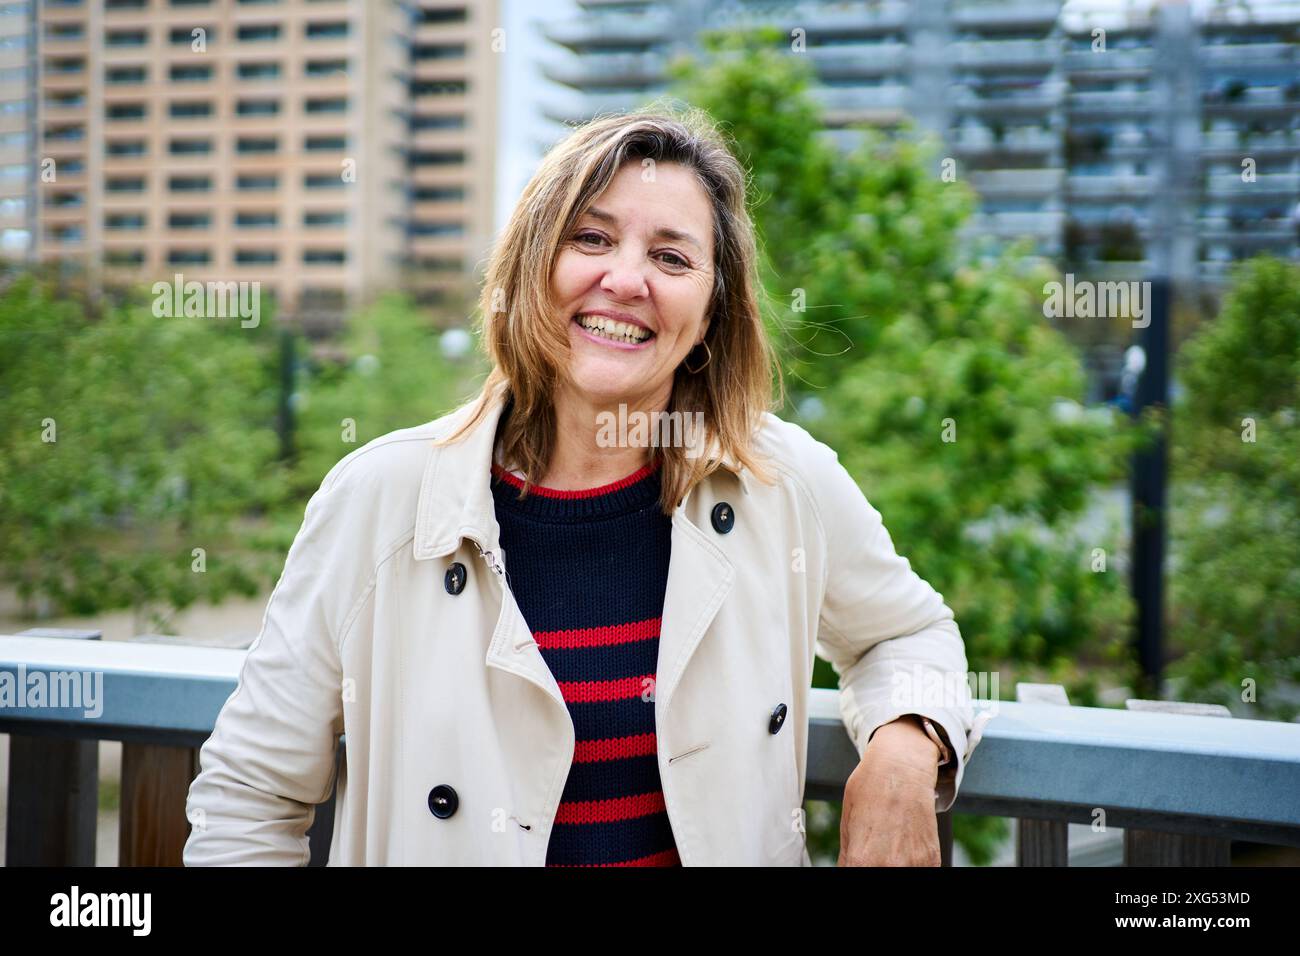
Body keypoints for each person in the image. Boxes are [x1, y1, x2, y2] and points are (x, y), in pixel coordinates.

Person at [183, 107, 983, 867]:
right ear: (535, 268)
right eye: (591, 238)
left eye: (672, 258)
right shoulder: (381, 498)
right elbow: (251, 795)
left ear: (710, 311)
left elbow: (906, 635)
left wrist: (906, 747)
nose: (625, 280)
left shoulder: (783, 480)